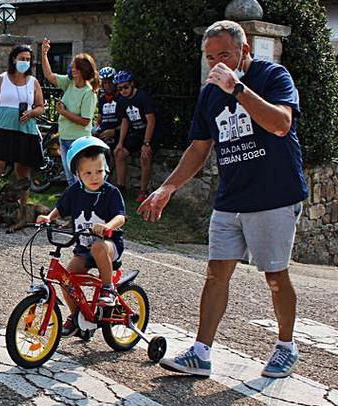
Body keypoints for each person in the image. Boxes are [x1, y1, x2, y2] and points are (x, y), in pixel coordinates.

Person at [139, 20, 308, 379]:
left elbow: (280, 124)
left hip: (275, 194)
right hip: (231, 197)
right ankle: (201, 353)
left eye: (225, 55)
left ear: (245, 52)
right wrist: (168, 187)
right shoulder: (209, 93)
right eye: (210, 56)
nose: (217, 63)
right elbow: (200, 148)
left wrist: (239, 90)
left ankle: (286, 346)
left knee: (275, 276)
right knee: (216, 273)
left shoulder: (273, 76)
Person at [39, 137, 126, 327]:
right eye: (88, 173)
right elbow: (61, 208)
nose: (95, 177)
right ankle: (78, 316)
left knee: (98, 247)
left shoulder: (110, 193)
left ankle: (108, 288)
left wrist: (108, 226)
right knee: (66, 278)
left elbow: (121, 217)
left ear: (107, 170)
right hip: (84, 249)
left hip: (109, 246)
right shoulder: (74, 192)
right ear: (77, 174)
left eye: (99, 171)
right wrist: (49, 218)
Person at [0, 44, 46, 226]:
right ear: (13, 59)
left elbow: (40, 106)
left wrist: (32, 113)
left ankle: (23, 210)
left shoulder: (33, 82)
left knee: (22, 170)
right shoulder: (1, 79)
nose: (25, 62)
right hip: (3, 129)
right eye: (22, 58)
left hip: (25, 130)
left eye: (28, 59)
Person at [40, 40, 100, 188]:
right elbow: (49, 75)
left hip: (79, 142)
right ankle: (76, 208)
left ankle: (83, 207)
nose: (72, 69)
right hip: (65, 139)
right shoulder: (69, 83)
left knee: (78, 179)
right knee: (71, 180)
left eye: (76, 67)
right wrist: (44, 53)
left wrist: (63, 112)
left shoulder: (89, 93)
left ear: (83, 70)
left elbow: (85, 121)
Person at [113, 71, 158, 202]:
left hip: (151, 133)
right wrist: (120, 143)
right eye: (120, 88)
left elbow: (151, 120)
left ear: (132, 84)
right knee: (119, 154)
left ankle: (143, 191)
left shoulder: (142, 97)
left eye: (126, 87)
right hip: (136, 132)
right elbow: (125, 121)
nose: (123, 91)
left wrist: (147, 143)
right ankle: (121, 188)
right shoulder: (121, 101)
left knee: (145, 156)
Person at [93, 66, 121, 150]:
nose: (108, 85)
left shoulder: (121, 98)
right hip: (103, 132)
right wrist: (95, 129)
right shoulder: (102, 99)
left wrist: (115, 131)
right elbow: (100, 118)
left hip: (116, 132)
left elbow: (126, 121)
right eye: (105, 83)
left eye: (110, 82)